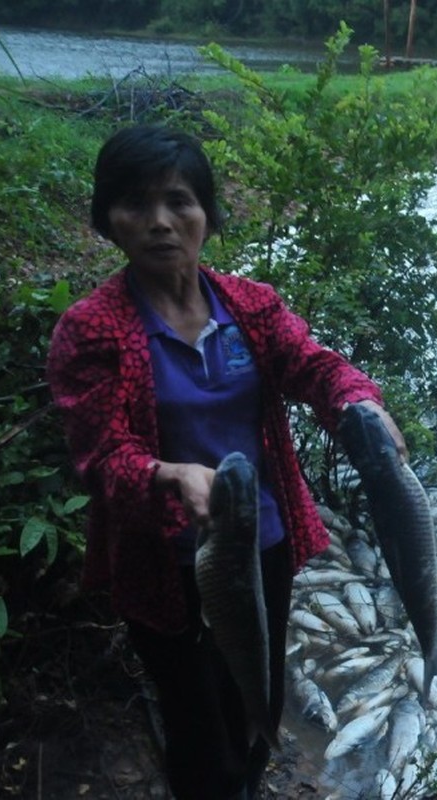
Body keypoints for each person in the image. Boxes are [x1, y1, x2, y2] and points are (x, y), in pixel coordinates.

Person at [46, 124, 406, 799]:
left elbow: (314, 366)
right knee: (194, 718)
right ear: (107, 219)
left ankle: (247, 779)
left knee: (257, 695)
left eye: (179, 201)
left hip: (260, 542)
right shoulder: (90, 329)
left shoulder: (250, 306)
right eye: (135, 204)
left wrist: (360, 401)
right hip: (164, 562)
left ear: (208, 213)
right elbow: (101, 457)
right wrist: (168, 476)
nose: (159, 222)